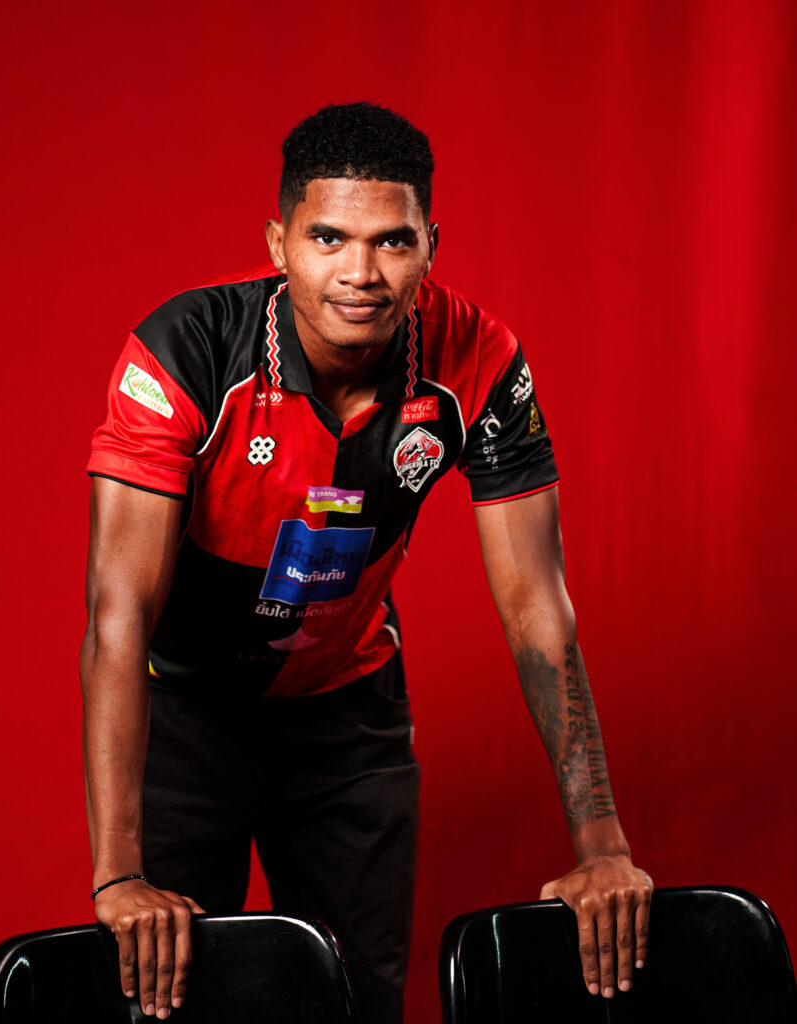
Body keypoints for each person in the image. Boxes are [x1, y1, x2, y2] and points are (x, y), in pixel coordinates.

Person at [81, 101, 652, 1024]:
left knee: (357, 1001)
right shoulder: (186, 347)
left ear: (430, 246)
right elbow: (118, 612)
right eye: (328, 238)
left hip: (349, 720)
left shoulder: (478, 357)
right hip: (182, 715)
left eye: (392, 241)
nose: (360, 273)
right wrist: (117, 874)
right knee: (167, 1000)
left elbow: (535, 605)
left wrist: (601, 845)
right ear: (278, 244)